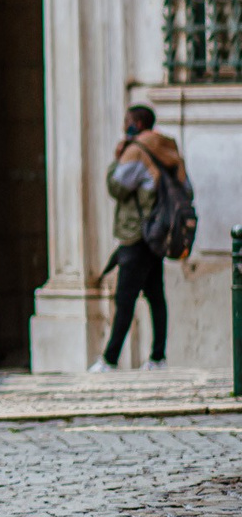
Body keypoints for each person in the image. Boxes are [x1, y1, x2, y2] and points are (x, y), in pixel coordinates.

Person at [97, 104, 185, 372]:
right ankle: (158, 358)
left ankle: (110, 360)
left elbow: (117, 186)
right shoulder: (167, 148)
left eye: (127, 121)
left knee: (124, 298)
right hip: (158, 233)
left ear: (136, 123)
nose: (125, 126)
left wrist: (117, 157)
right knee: (156, 297)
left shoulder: (136, 150)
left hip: (137, 234)